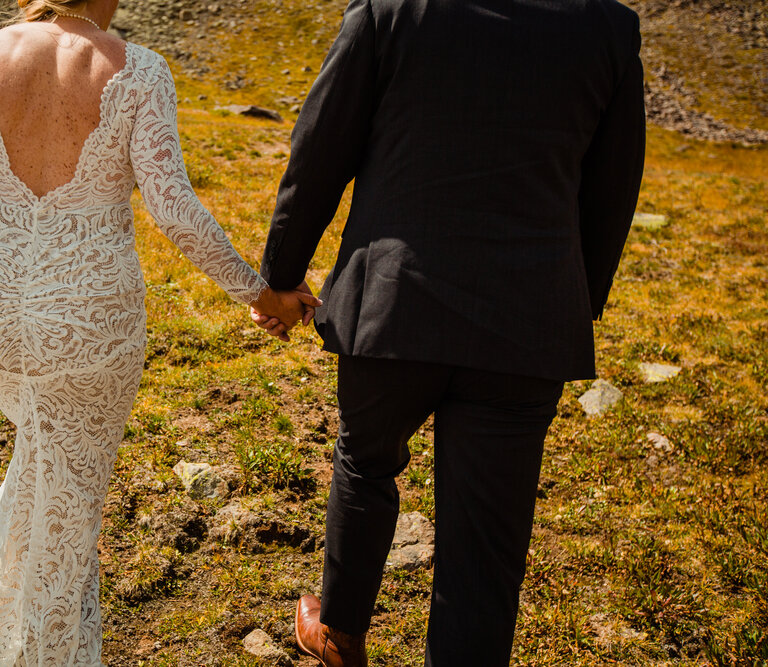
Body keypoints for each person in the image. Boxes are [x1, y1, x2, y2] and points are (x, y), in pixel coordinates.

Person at [0, 0, 318, 664]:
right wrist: (260, 291)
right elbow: (173, 207)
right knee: (68, 502)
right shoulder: (140, 70)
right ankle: (49, 649)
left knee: (44, 465)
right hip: (89, 325)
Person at [251, 0, 646, 664]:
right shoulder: (605, 26)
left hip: (394, 305)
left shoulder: (392, 9)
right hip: (527, 321)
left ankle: (340, 632)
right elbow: (613, 183)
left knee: (365, 460)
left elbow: (319, 150)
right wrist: (578, 300)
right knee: (486, 540)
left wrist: (280, 277)